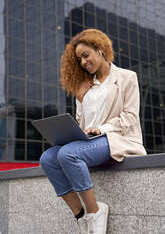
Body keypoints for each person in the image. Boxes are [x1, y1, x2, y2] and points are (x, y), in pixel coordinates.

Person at [40, 29, 147, 234]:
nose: (82, 62)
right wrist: (80, 100)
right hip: (91, 141)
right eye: (79, 59)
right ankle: (81, 216)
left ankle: (95, 213)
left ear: (99, 50)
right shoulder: (85, 87)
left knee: (68, 154)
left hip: (116, 138)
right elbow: (82, 123)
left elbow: (130, 117)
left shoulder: (126, 77)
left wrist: (102, 128)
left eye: (85, 55)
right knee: (47, 159)